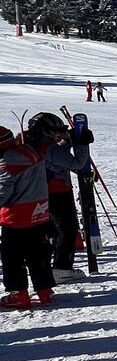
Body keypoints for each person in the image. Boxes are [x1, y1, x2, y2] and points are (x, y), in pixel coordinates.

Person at [25, 113, 91, 282]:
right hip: (58, 192)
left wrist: (68, 142)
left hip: (40, 193)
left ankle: (47, 267)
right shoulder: (50, 149)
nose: (58, 136)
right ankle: (62, 269)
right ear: (46, 132)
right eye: (55, 132)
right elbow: (77, 164)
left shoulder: (32, 145)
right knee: (67, 230)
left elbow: (57, 155)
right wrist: (82, 145)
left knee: (50, 230)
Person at [0, 126, 54, 308]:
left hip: (16, 216)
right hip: (39, 212)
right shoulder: (29, 151)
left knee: (12, 257)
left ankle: (19, 293)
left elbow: (4, 191)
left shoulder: (6, 161)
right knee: (38, 253)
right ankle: (44, 289)